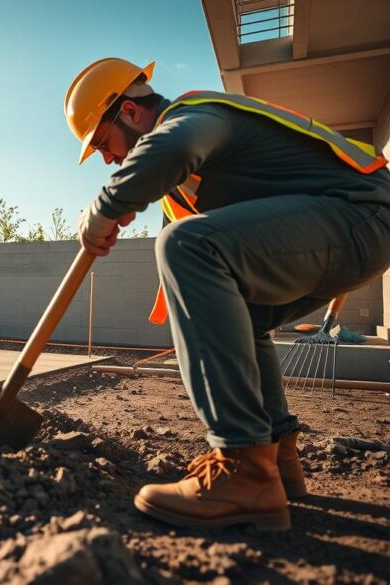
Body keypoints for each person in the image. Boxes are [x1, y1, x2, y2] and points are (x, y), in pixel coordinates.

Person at [64, 58, 390, 530]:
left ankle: (241, 464)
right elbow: (203, 282)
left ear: (132, 113)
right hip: (354, 224)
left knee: (184, 244)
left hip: (358, 211)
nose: (109, 158)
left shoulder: (193, 115)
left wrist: (108, 204)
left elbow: (176, 148)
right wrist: (129, 200)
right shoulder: (182, 188)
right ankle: (275, 459)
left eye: (102, 144)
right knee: (248, 312)